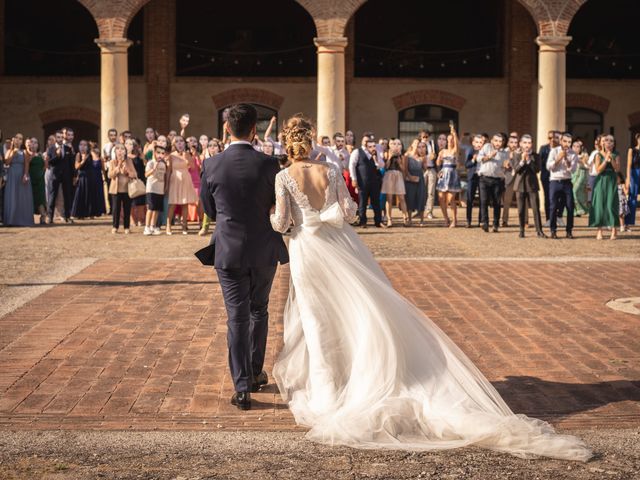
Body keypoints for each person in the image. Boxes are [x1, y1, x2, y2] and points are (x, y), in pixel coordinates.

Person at [269, 114, 591, 462]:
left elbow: (282, 222)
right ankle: (355, 379)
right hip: (340, 245)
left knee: (318, 321)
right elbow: (349, 211)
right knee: (358, 312)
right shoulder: (330, 171)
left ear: (288, 146)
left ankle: (327, 397)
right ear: (311, 141)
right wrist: (328, 212)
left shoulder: (283, 176)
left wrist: (276, 215)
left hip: (308, 251)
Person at [199, 103, 289, 411]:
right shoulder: (269, 164)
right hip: (264, 247)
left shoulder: (211, 165)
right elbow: (277, 205)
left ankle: (241, 387)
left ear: (226, 128)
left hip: (228, 249)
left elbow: (209, 210)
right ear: (254, 130)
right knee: (259, 310)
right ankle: (253, 373)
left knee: (236, 316)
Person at [512, 135, 545, 238]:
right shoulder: (516, 155)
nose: (527, 145)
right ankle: (521, 230)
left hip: (532, 185)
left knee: (536, 209)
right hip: (520, 185)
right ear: (521, 144)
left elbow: (537, 170)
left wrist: (529, 160)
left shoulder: (536, 155)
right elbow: (516, 169)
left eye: (529, 143)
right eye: (525, 143)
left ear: (532, 144)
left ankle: (539, 231)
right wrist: (522, 161)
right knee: (521, 210)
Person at [589, 134, 620, 240]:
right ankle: (599, 231)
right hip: (600, 180)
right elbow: (598, 170)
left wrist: (611, 159)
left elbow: (617, 169)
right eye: (606, 141)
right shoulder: (598, 155)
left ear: (614, 143)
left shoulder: (616, 154)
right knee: (600, 206)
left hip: (611, 180)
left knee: (611, 205)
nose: (609, 143)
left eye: (611, 141)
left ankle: (614, 230)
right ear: (603, 143)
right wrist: (605, 160)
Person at [547, 133, 578, 239]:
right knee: (553, 207)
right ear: (561, 141)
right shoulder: (554, 151)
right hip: (555, 181)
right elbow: (548, 166)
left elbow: (573, 170)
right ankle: (553, 230)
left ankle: (569, 231)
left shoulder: (573, 154)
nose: (567, 144)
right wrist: (558, 159)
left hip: (567, 182)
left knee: (570, 207)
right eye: (565, 141)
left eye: (569, 142)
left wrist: (568, 162)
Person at [349, 134, 383, 228]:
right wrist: (354, 178)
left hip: (374, 182)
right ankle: (363, 221)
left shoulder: (376, 152)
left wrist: (376, 157)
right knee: (362, 202)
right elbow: (352, 165)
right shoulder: (357, 152)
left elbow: (381, 165)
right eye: (365, 141)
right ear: (362, 142)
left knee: (376, 202)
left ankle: (378, 221)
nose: (367, 142)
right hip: (362, 181)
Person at [166, 136, 198, 235]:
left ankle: (184, 226)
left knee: (185, 203)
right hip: (175, 179)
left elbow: (193, 168)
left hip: (186, 179)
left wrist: (187, 158)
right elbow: (168, 171)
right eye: (177, 142)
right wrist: (166, 184)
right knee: (172, 204)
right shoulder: (171, 156)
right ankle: (168, 226)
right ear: (174, 144)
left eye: (181, 141)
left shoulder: (187, 154)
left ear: (184, 143)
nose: (179, 143)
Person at [3, 133, 34, 226]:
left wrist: (25, 175)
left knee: (21, 198)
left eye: (20, 138)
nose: (18, 140)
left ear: (22, 141)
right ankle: (11, 220)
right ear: (13, 140)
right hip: (12, 177)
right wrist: (13, 152)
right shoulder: (9, 151)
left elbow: (27, 165)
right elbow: (7, 162)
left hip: (21, 176)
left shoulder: (24, 152)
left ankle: (22, 220)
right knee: (12, 197)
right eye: (16, 138)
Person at [108, 143, 137, 234]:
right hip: (115, 190)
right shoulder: (112, 162)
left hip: (127, 189)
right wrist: (117, 168)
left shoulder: (129, 161)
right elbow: (110, 175)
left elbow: (135, 175)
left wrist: (127, 172)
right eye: (118, 149)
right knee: (116, 209)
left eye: (122, 149)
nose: (120, 151)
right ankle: (115, 227)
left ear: (125, 151)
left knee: (127, 209)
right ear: (115, 151)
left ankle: (126, 227)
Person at [47, 130, 74, 223]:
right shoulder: (51, 149)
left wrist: (74, 175)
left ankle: (68, 216)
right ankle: (50, 217)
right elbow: (50, 163)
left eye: (62, 137)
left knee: (67, 196)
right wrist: (57, 155)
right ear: (55, 138)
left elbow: (71, 164)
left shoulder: (68, 149)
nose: (60, 139)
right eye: (58, 137)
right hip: (54, 175)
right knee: (52, 196)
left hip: (66, 176)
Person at [199, 139, 224, 236]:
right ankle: (205, 227)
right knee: (208, 204)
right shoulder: (205, 161)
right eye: (210, 146)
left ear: (219, 148)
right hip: (210, 187)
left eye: (215, 145)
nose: (212, 147)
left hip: (221, 187)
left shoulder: (223, 159)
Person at [380, 139, 408, 227]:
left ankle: (405, 218)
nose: (395, 145)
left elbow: (404, 169)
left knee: (402, 198)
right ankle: (389, 219)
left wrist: (400, 163)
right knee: (389, 199)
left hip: (398, 175)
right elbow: (386, 166)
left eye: (397, 144)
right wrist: (390, 157)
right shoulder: (386, 153)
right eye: (393, 144)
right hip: (389, 175)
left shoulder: (401, 155)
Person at [144, 145, 167, 235]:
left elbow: (164, 176)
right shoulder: (150, 163)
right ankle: (147, 227)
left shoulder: (163, 164)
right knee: (150, 208)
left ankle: (153, 226)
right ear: (154, 153)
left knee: (157, 209)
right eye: (158, 153)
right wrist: (153, 169)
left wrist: (165, 187)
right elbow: (146, 174)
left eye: (162, 153)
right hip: (151, 189)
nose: (160, 155)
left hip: (160, 189)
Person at [539, 130, 561, 225]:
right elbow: (540, 162)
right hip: (546, 176)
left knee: (559, 198)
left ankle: (558, 217)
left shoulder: (561, 149)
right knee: (548, 197)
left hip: (559, 177)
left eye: (554, 137)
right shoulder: (543, 148)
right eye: (550, 138)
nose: (552, 140)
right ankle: (549, 219)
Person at [404, 140, 428, 226]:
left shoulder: (422, 157)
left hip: (420, 179)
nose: (419, 148)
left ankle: (422, 220)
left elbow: (425, 169)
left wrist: (425, 158)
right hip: (410, 179)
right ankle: (409, 219)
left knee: (421, 198)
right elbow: (405, 169)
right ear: (413, 145)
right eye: (418, 145)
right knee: (410, 198)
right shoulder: (407, 155)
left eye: (421, 146)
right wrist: (410, 177)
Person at [71, 140, 96, 219]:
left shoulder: (90, 155)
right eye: (81, 144)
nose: (82, 146)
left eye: (85, 145)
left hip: (90, 177)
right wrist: (83, 160)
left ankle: (89, 213)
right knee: (81, 195)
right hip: (82, 177)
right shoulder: (78, 154)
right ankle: (80, 214)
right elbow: (76, 166)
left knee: (89, 195)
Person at [464, 134, 484, 227]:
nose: (478, 144)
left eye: (480, 142)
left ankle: (481, 220)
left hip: (482, 177)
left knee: (482, 199)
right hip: (472, 177)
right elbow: (467, 164)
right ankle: (468, 220)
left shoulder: (485, 152)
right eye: (476, 142)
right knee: (469, 199)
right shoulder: (471, 151)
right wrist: (473, 160)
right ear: (473, 143)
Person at [26, 137, 47, 224]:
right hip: (30, 179)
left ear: (38, 145)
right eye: (32, 142)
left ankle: (43, 217)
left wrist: (41, 173)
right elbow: (26, 165)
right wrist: (31, 156)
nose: (34, 144)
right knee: (31, 198)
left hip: (40, 180)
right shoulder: (26, 154)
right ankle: (29, 217)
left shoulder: (41, 155)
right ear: (29, 144)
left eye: (36, 142)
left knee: (41, 198)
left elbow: (45, 166)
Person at [127, 139, 147, 227]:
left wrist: (142, 156)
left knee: (141, 202)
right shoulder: (126, 156)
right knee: (131, 202)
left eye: (134, 145)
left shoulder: (140, 156)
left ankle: (140, 219)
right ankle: (132, 220)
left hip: (141, 180)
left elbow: (146, 165)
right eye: (131, 144)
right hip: (130, 180)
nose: (133, 146)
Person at [501, 134, 519, 227]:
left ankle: (525, 221)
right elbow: (500, 167)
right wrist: (504, 165)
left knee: (522, 201)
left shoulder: (521, 152)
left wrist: (512, 160)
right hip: (508, 179)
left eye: (516, 142)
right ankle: (504, 220)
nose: (514, 144)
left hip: (519, 179)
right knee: (506, 201)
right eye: (512, 142)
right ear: (508, 143)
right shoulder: (504, 153)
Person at [625, 133, 640, 229]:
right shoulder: (632, 150)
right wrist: (628, 179)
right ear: (637, 139)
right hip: (635, 173)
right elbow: (628, 165)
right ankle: (627, 222)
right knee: (632, 198)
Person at [572, 139, 589, 216]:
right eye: (574, 146)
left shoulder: (584, 155)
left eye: (578, 146)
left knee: (575, 191)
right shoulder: (569, 155)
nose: (576, 148)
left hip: (581, 174)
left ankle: (581, 209)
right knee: (573, 193)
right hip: (572, 175)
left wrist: (580, 161)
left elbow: (587, 166)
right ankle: (574, 210)